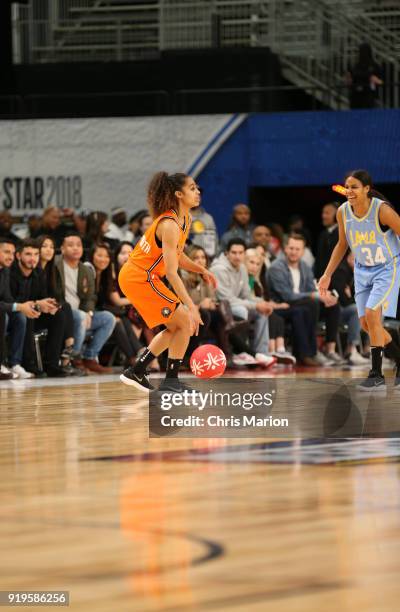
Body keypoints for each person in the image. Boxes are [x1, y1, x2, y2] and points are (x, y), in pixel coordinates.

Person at [118, 171, 217, 393]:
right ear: (178, 194)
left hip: (143, 277)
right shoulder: (170, 224)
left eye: (197, 187)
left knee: (177, 326)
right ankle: (170, 381)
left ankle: (137, 370)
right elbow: (172, 273)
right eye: (192, 188)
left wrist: (200, 268)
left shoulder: (185, 219)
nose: (198, 191)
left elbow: (177, 256)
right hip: (139, 277)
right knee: (184, 321)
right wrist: (191, 306)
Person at [319, 169, 400, 390]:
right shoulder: (343, 212)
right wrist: (327, 274)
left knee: (374, 315)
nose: (350, 191)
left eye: (355, 186)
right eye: (348, 186)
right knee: (367, 324)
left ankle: (376, 375)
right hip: (362, 270)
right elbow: (342, 244)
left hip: (387, 267)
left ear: (366, 189)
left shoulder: (381, 210)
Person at [268, 234, 341, 366]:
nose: (293, 252)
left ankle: (330, 350)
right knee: (308, 305)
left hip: (304, 305)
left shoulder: (305, 267)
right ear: (285, 248)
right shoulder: (276, 267)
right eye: (291, 248)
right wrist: (314, 295)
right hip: (280, 306)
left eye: (297, 249)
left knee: (332, 305)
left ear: (303, 251)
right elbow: (287, 296)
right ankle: (307, 353)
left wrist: (325, 295)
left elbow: (310, 289)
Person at [55, 233, 116, 374]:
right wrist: (83, 314)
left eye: (78, 245)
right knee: (81, 316)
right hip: (62, 312)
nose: (75, 248)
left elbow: (90, 297)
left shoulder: (86, 270)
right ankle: (74, 359)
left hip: (81, 313)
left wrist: (89, 312)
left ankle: (89, 357)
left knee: (108, 318)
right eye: (70, 245)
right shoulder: (56, 266)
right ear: (62, 249)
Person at [210, 238, 275, 367]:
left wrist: (262, 303)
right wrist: (256, 305)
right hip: (220, 307)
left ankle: (261, 353)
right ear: (227, 253)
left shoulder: (242, 269)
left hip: (236, 304)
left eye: (241, 253)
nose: (237, 256)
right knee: (242, 310)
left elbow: (246, 295)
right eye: (234, 252)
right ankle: (240, 352)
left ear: (244, 253)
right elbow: (226, 299)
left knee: (261, 312)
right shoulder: (218, 269)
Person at [9, 239, 68, 377]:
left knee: (58, 315)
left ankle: (51, 364)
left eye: (36, 254)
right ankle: (28, 364)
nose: (33, 258)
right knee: (28, 313)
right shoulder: (11, 273)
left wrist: (47, 306)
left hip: (32, 313)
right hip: (14, 314)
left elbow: (41, 298)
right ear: (18, 256)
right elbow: (12, 302)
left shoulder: (38, 273)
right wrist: (37, 304)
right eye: (28, 254)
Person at [87, 243, 142, 367]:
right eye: (99, 255)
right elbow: (115, 301)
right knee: (116, 319)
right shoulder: (92, 271)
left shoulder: (105, 274)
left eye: (106, 256)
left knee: (122, 318)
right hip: (96, 311)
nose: (103, 259)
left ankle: (136, 354)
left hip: (108, 311)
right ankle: (134, 357)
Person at [245, 248, 296, 365]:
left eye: (258, 264)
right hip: (247, 307)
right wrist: (269, 304)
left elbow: (261, 299)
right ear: (245, 262)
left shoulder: (256, 280)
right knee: (269, 313)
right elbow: (248, 298)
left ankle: (279, 349)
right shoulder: (243, 277)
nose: (254, 266)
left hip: (253, 306)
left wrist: (268, 304)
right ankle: (270, 350)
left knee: (276, 316)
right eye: (251, 263)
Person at [0, 238, 41, 379]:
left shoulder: (4, 271)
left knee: (20, 316)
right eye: (6, 252)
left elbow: (8, 299)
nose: (10, 256)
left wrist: (26, 307)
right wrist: (19, 306)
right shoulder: (9, 272)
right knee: (3, 315)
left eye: (12, 252)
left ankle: (14, 363)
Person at [347, 43, 383, 109]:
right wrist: (350, 80)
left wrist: (376, 80)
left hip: (369, 95)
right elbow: (351, 81)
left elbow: (380, 81)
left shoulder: (374, 66)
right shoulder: (356, 66)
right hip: (356, 96)